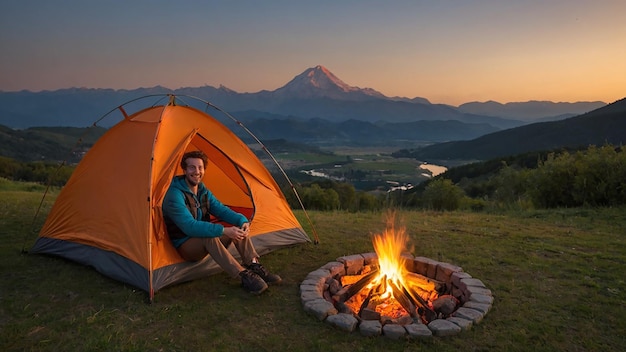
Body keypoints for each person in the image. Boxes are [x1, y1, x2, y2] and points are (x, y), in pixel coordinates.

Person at [162, 150, 281, 295]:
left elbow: (221, 210)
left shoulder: (203, 191)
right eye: (192, 167)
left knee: (237, 228)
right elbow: (189, 226)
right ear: (184, 170)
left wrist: (242, 221)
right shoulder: (174, 194)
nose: (196, 171)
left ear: (204, 169)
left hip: (201, 239)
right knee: (210, 235)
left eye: (200, 167)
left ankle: (254, 265)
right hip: (185, 244)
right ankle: (243, 275)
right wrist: (223, 230)